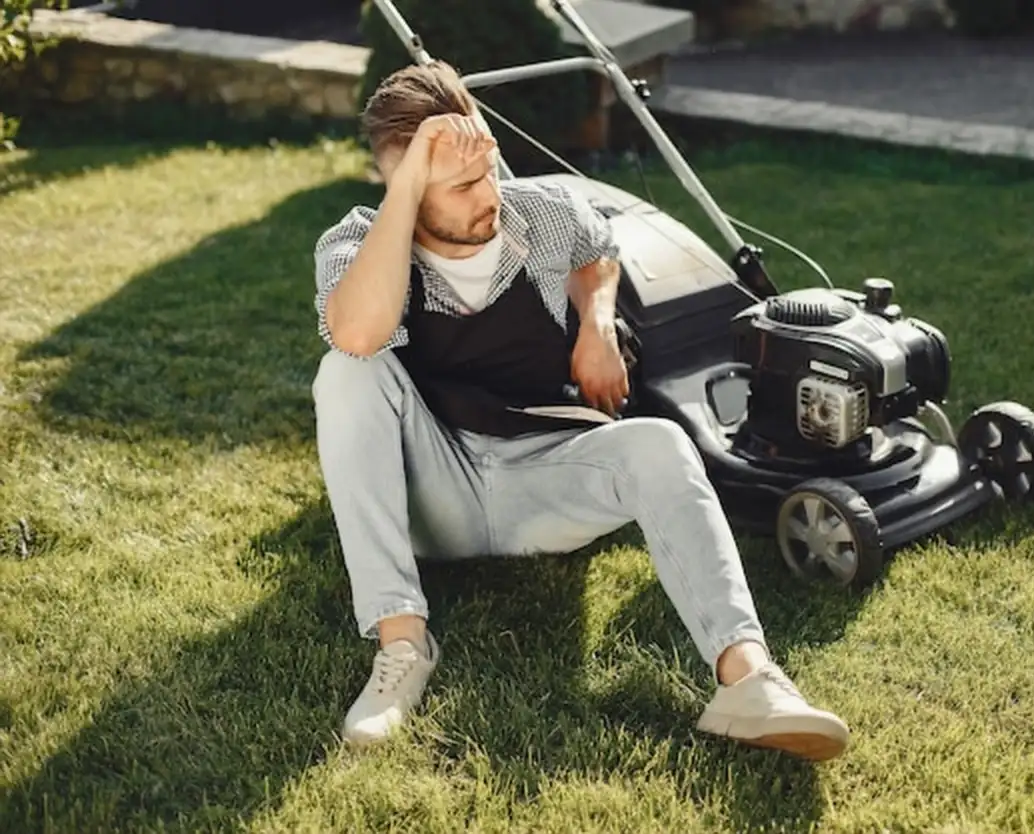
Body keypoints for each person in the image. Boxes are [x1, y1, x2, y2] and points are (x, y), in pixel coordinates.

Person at [311, 59, 851, 761]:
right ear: (404, 191)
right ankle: (403, 644)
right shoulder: (355, 244)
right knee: (347, 371)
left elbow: (597, 249)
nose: (492, 193)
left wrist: (596, 321)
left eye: (491, 166)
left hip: (544, 482)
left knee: (658, 441)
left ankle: (747, 680)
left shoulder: (542, 213)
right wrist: (409, 185)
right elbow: (358, 332)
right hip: (431, 497)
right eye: (464, 182)